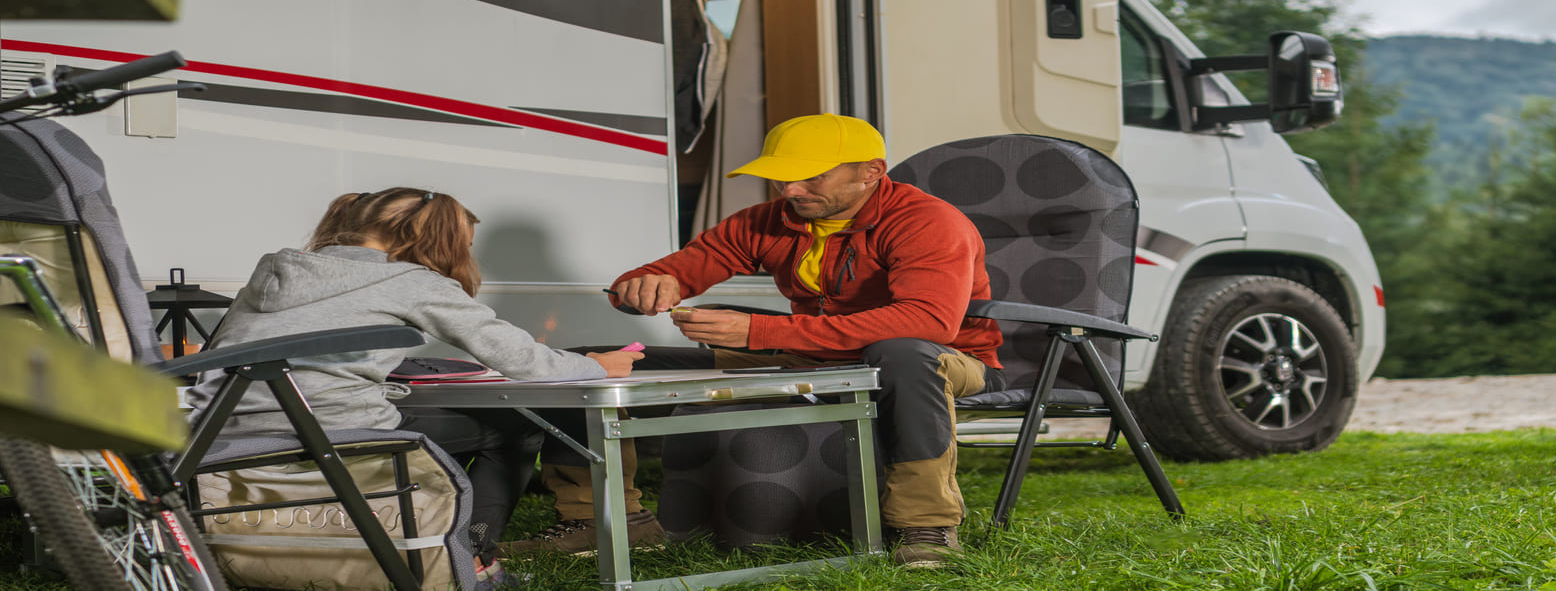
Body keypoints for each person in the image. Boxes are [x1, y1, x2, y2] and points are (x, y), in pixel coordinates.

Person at [186, 187, 645, 589]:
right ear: (432, 237)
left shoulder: (274, 270)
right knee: (517, 424)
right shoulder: (408, 279)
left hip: (220, 436)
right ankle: (471, 558)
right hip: (336, 433)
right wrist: (595, 364)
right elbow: (521, 360)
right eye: (463, 244)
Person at [614, 113, 1004, 568]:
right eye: (781, 179)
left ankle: (927, 526)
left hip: (946, 362)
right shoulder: (769, 220)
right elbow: (680, 268)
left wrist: (757, 332)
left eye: (810, 177)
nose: (791, 191)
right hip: (814, 358)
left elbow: (926, 322)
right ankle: (600, 520)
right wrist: (643, 284)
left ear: (871, 173)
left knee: (902, 353)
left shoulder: (928, 221)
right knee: (594, 365)